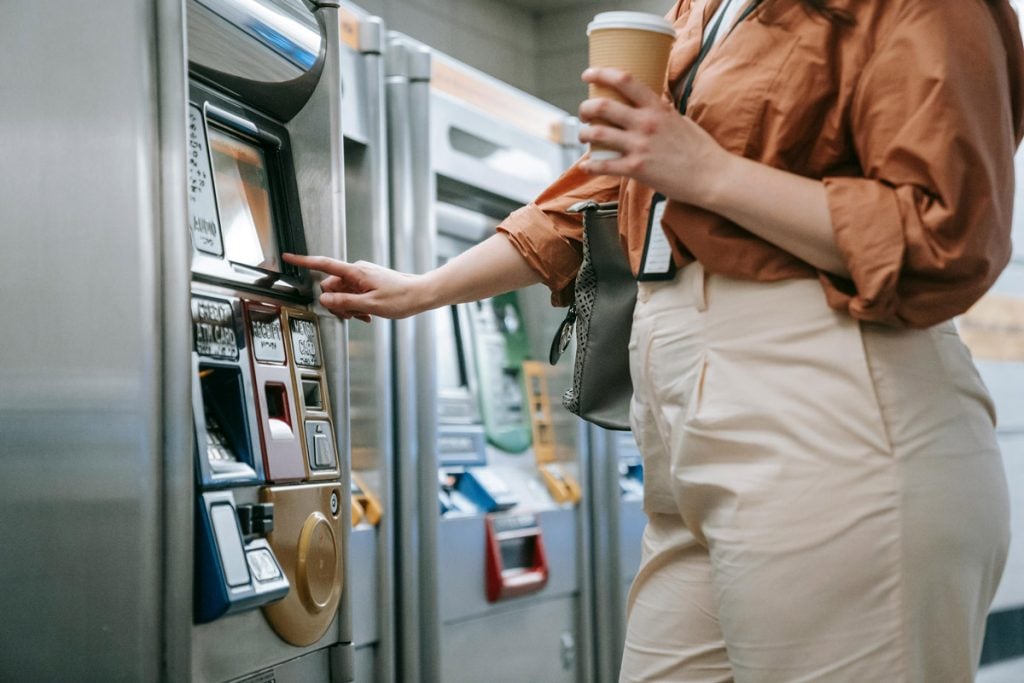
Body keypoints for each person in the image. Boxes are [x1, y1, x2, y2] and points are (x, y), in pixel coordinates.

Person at [286, 0, 1024, 679]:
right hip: (685, 439)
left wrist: (706, 169)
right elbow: (596, 200)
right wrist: (423, 289)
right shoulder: (705, 8)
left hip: (836, 415)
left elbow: (943, 233)